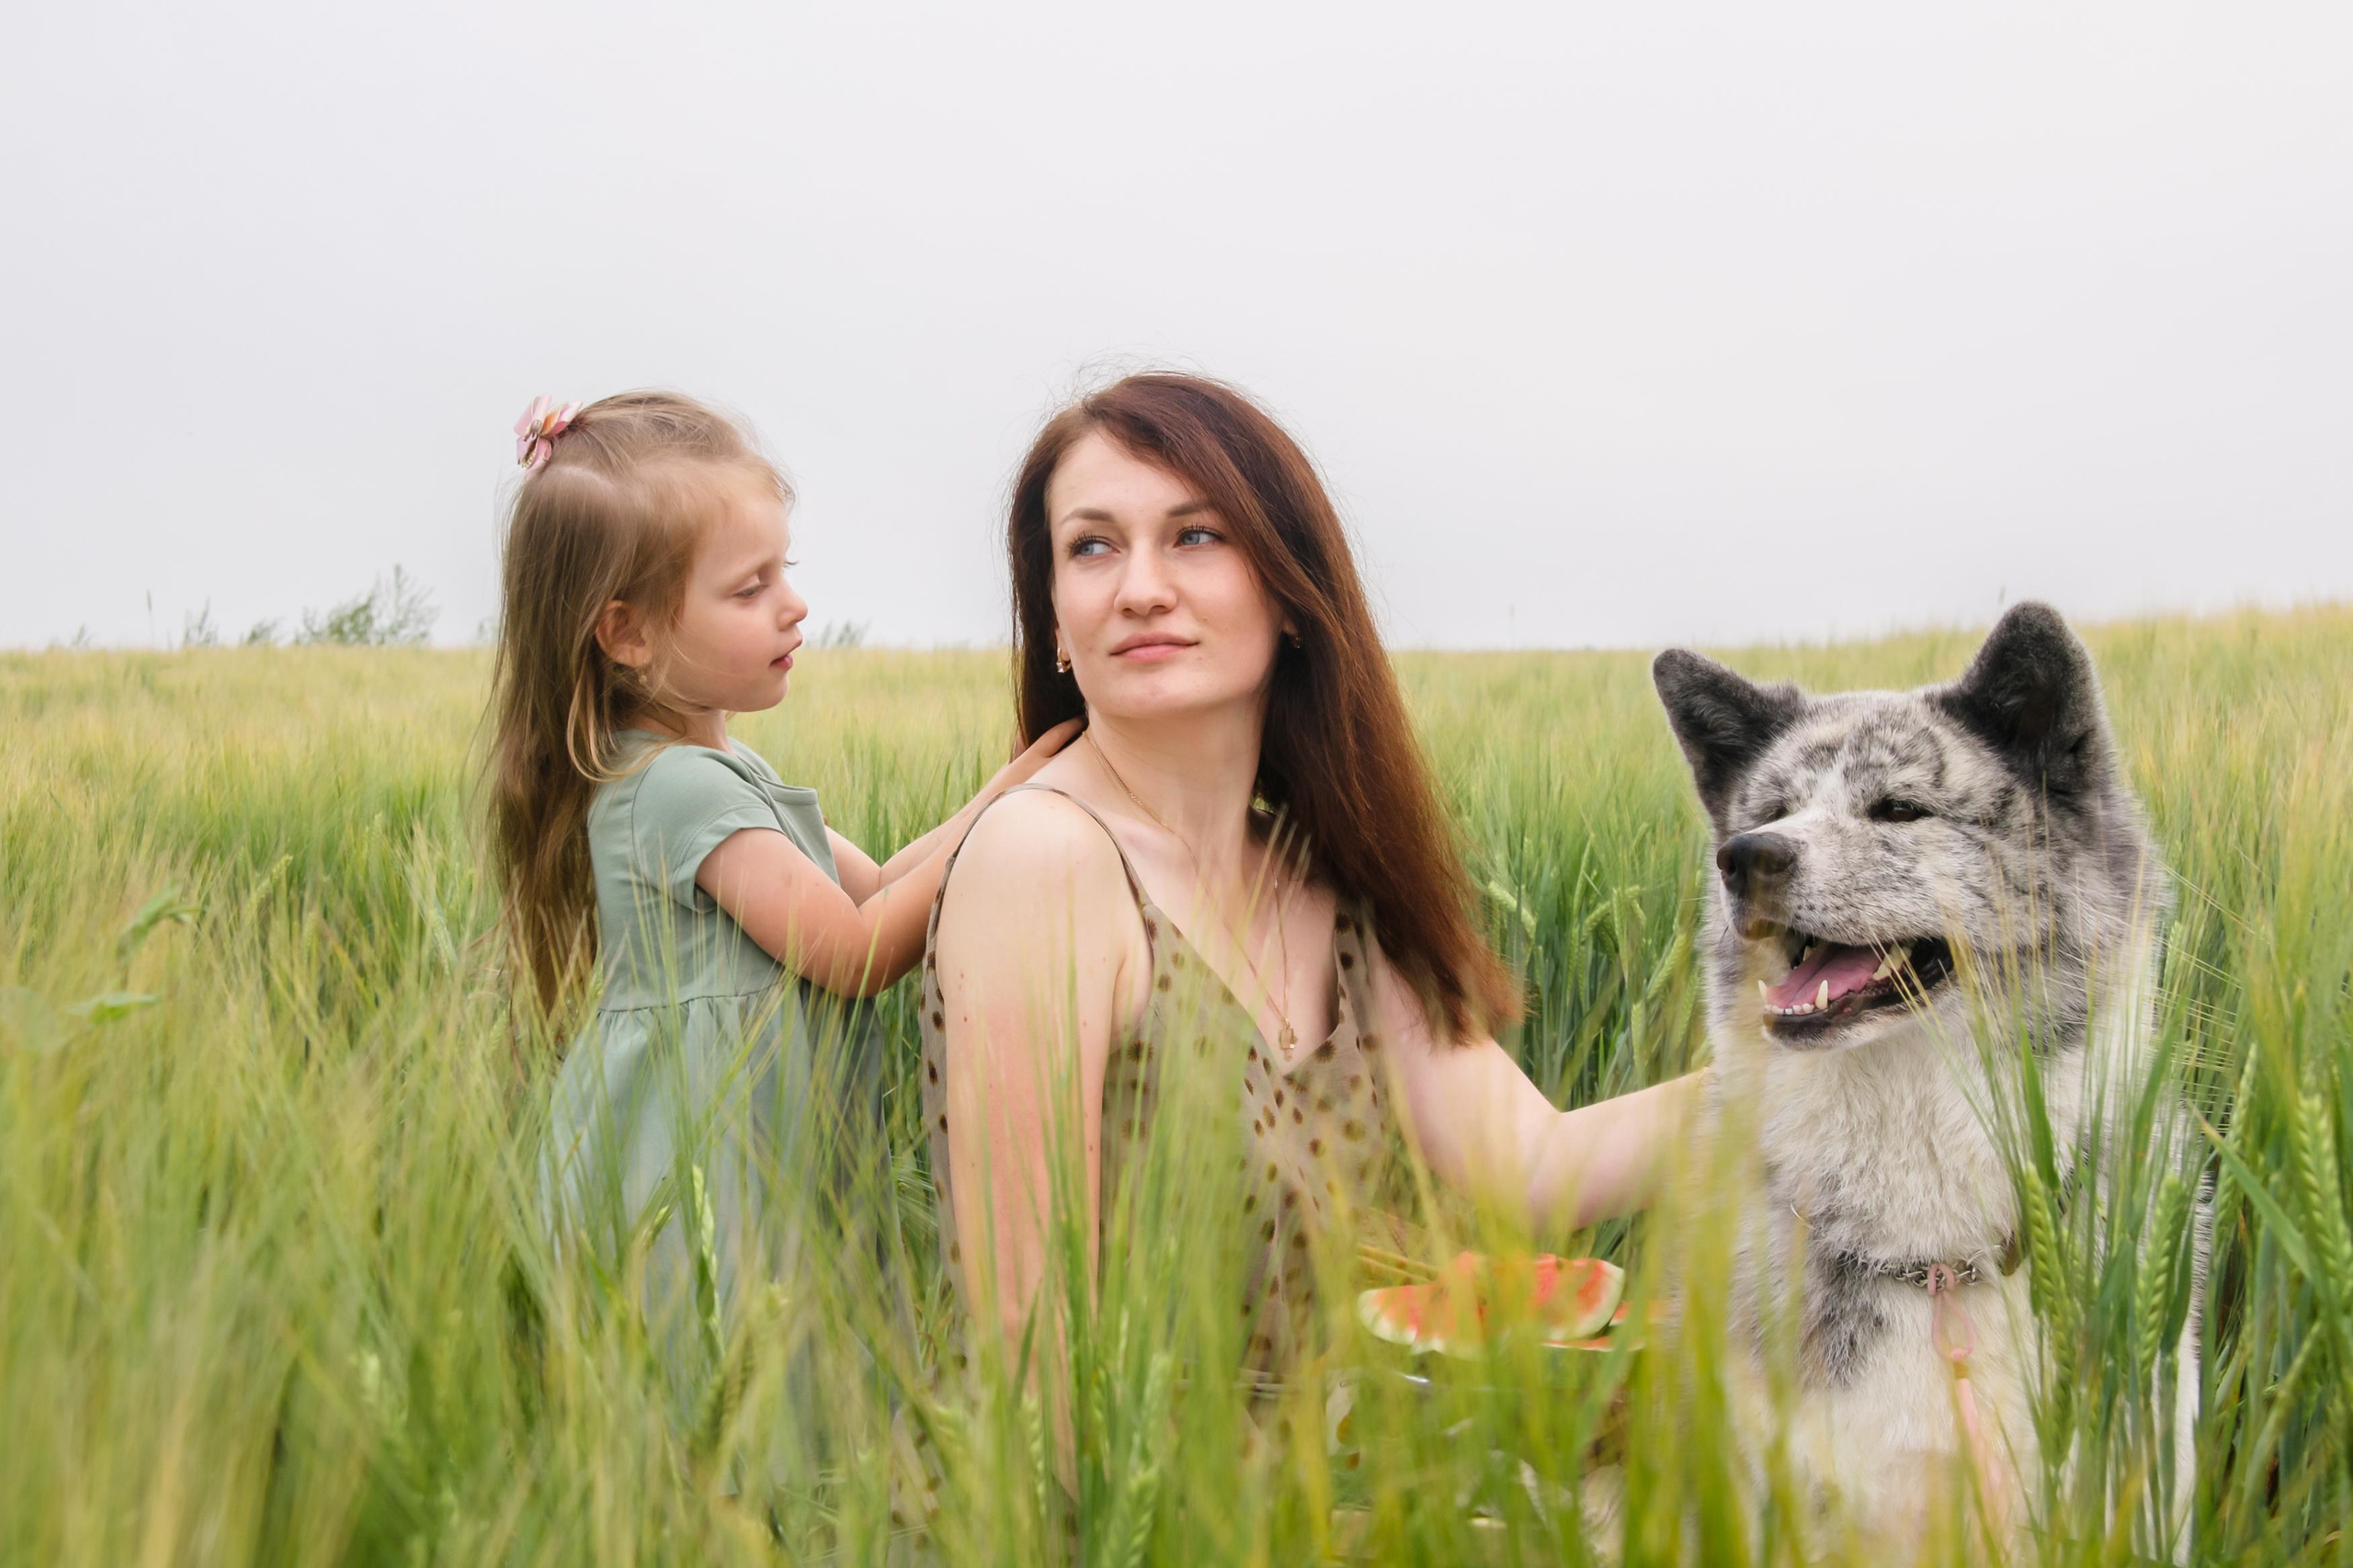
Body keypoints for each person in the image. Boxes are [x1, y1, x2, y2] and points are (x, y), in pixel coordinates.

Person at [916, 373, 1701, 1397]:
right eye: (1092, 545)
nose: (1140, 586)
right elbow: (1026, 1338)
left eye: (1194, 536)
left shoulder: (1320, 881)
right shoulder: (1045, 859)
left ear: (1288, 590)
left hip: (1335, 1473)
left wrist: (1867, 1056)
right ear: (1056, 624)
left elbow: (1532, 1163)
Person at [483, 391, 1074, 1374]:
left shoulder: (717, 767)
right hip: (698, 1158)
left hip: (752, 1142)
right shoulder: (670, 788)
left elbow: (878, 879)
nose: (793, 604)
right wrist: (1013, 817)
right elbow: (852, 951)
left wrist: (1009, 785)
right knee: (735, 1382)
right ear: (625, 633)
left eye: (783, 572)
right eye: (749, 587)